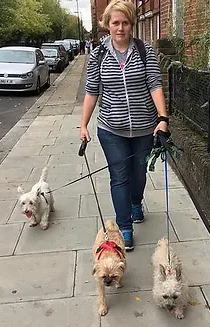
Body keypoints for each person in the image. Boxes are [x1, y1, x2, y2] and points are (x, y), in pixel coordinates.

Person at [80, 0, 168, 251]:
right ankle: (124, 228)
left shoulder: (145, 51)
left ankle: (136, 202)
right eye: (115, 23)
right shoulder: (98, 54)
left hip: (143, 127)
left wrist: (162, 118)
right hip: (111, 129)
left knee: (138, 174)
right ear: (107, 25)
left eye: (125, 23)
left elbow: (154, 84)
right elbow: (91, 91)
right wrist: (83, 125)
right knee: (119, 177)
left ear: (132, 24)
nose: (120, 28)